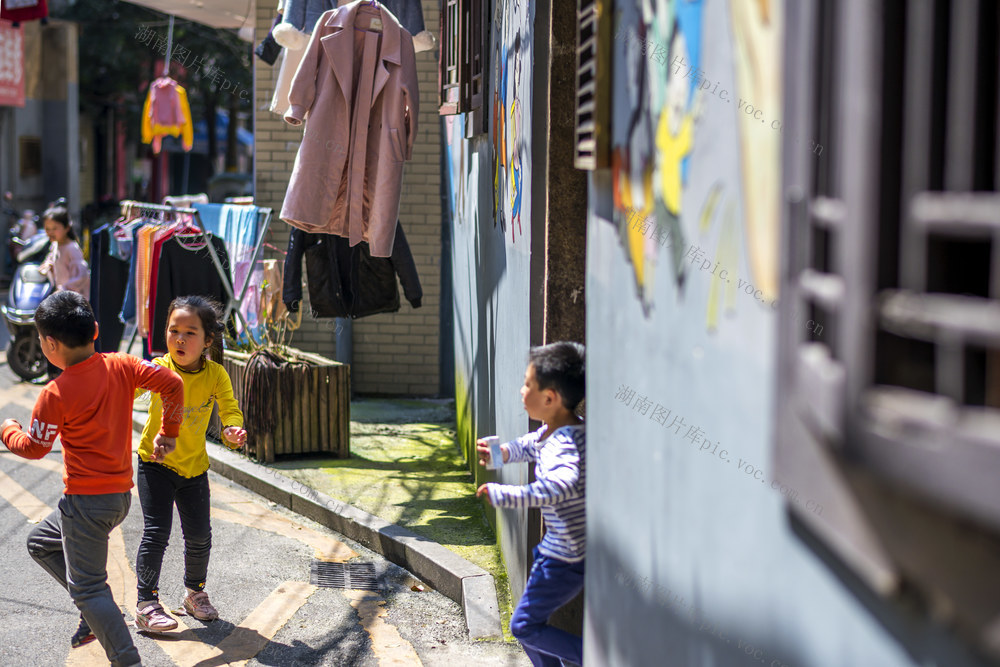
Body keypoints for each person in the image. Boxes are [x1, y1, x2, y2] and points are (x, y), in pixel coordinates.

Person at [0, 291, 184, 667]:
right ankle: (94, 611)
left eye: (39, 339)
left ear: (50, 344)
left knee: (88, 588)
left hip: (84, 504)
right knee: (41, 542)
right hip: (118, 499)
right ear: (95, 330)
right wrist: (170, 432)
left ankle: (124, 656)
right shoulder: (122, 364)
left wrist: (7, 429)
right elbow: (173, 384)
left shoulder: (56, 392)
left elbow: (34, 447)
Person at [133, 295, 247, 632]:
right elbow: (130, 389)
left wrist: (232, 430)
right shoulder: (158, 369)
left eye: (190, 332)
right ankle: (146, 602)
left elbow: (229, 408)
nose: (180, 339)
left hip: (195, 468)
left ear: (208, 340)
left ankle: (194, 594)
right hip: (155, 464)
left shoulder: (215, 375)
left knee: (199, 536)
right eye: (173, 330)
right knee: (156, 533)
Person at [476, 341, 586, 667]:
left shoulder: (564, 445)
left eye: (527, 384)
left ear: (549, 398)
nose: (521, 390)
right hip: (558, 550)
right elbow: (531, 445)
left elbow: (560, 486)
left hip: (565, 558)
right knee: (530, 626)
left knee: (523, 625)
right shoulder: (563, 428)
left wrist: (504, 494)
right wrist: (502, 453)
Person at [38, 203, 90, 297]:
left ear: (67, 228)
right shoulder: (55, 245)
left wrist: (64, 289)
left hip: (75, 299)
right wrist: (46, 267)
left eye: (54, 228)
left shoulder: (72, 248)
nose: (50, 232)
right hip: (63, 297)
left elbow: (82, 276)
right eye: (47, 229)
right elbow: (50, 259)